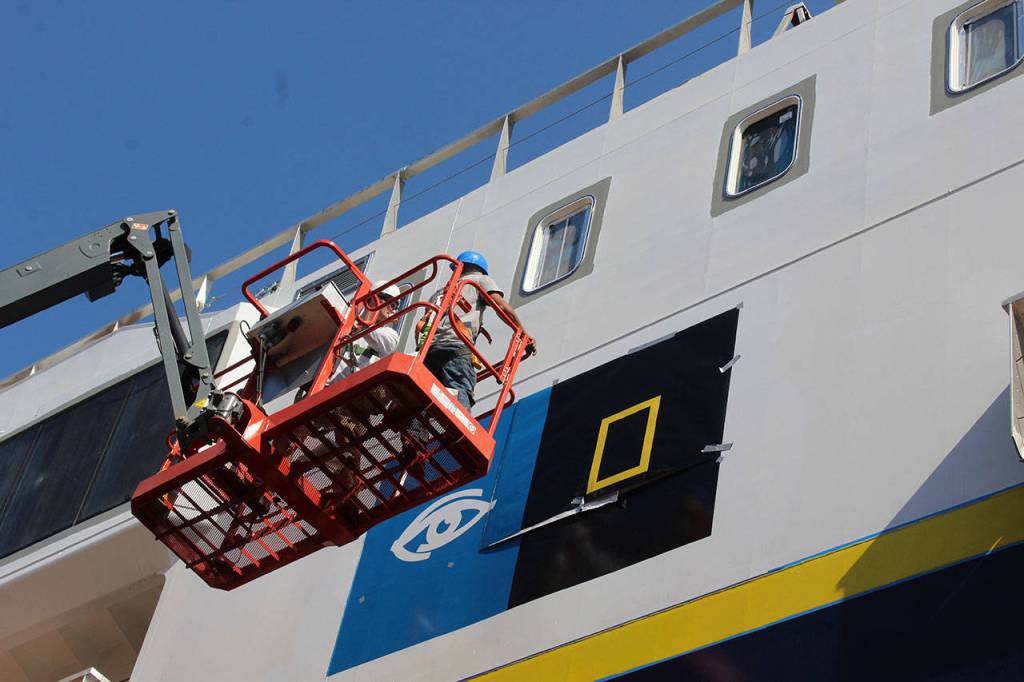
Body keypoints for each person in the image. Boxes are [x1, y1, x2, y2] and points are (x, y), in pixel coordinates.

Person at [416, 250, 536, 409]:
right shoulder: (480, 280)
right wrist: (522, 332)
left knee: (424, 395)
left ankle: (415, 430)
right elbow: (500, 305)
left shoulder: (439, 293)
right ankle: (458, 427)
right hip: (455, 346)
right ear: (480, 269)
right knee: (460, 388)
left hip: (427, 350)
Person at [329, 280, 402, 384]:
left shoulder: (391, 335)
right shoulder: (349, 321)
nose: (393, 310)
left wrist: (371, 307)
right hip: (328, 384)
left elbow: (366, 329)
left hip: (353, 387)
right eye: (392, 304)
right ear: (377, 298)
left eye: (395, 306)